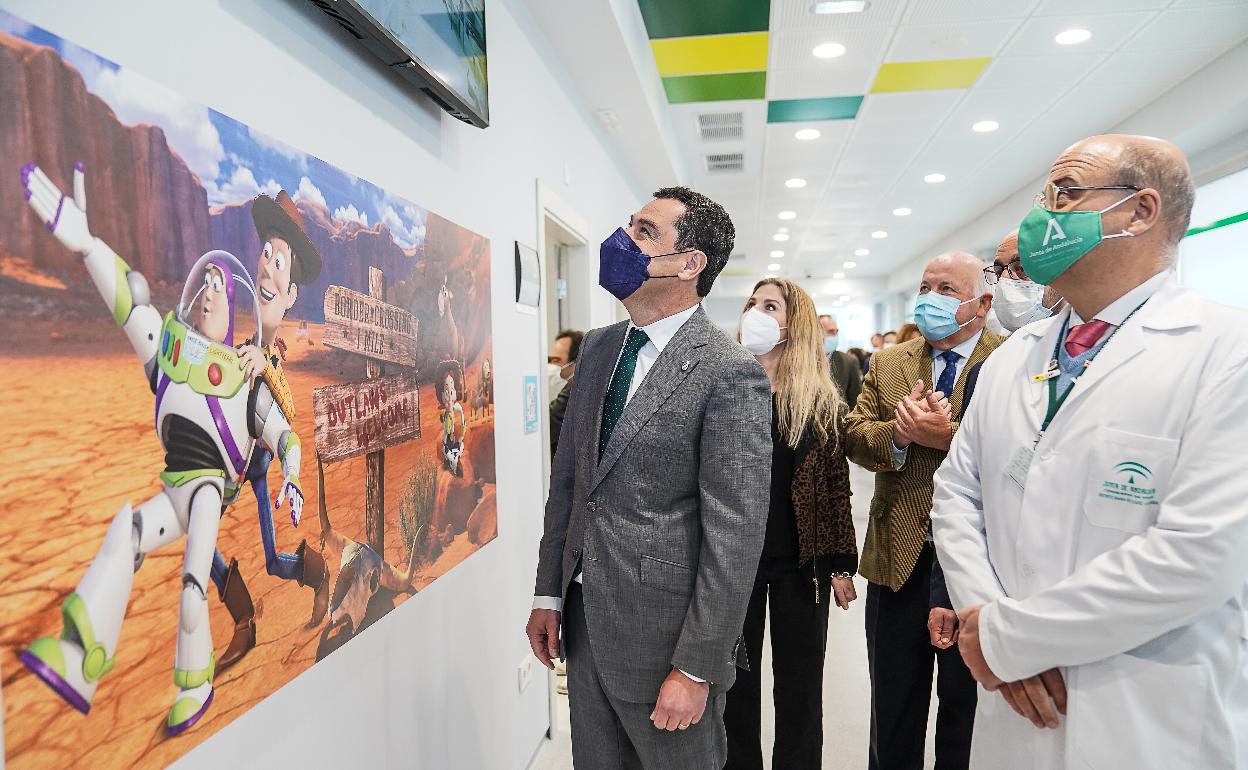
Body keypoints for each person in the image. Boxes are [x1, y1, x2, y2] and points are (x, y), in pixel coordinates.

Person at [933, 134, 1248, 769]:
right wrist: (985, 619)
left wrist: (1009, 637)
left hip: (1146, 709)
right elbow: (957, 492)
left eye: (1066, 194)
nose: (1041, 216)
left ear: (1140, 210)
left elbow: (1201, 552)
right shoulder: (1016, 357)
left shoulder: (1224, 350)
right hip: (1013, 700)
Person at [526, 187, 773, 769]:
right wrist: (547, 592)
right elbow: (570, 483)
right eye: (629, 226)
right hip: (585, 625)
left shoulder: (728, 371)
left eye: (644, 232)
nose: (623, 241)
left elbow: (734, 535)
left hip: (668, 637)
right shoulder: (599, 348)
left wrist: (696, 666)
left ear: (689, 265)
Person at [845, 251, 1004, 770]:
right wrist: (897, 435)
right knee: (892, 709)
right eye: (925, 285)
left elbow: (1021, 457)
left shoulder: (1009, 362)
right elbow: (854, 434)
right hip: (897, 565)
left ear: (981, 303)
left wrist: (946, 436)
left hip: (976, 569)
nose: (930, 298)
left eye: (947, 289)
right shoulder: (892, 363)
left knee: (966, 711)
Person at [726, 280, 858, 770]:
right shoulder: (726, 389)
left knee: (800, 687)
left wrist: (843, 564)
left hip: (802, 564)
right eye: (752, 304)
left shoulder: (819, 400)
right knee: (734, 685)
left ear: (792, 323)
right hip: (733, 563)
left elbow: (834, 486)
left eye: (769, 306)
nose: (755, 313)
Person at [985, 230, 1067, 334]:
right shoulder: (1003, 347)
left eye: (1021, 267)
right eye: (999, 271)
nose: (1004, 278)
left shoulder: (1086, 339)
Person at [548, 328, 583, 457]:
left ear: (575, 364)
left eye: (556, 361)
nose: (550, 367)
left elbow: (552, 418)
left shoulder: (576, 392)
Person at [818, 313, 863, 408]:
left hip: (840, 419)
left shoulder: (849, 362)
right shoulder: (804, 361)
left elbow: (856, 401)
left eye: (836, 331)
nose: (835, 335)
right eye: (830, 331)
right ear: (816, 332)